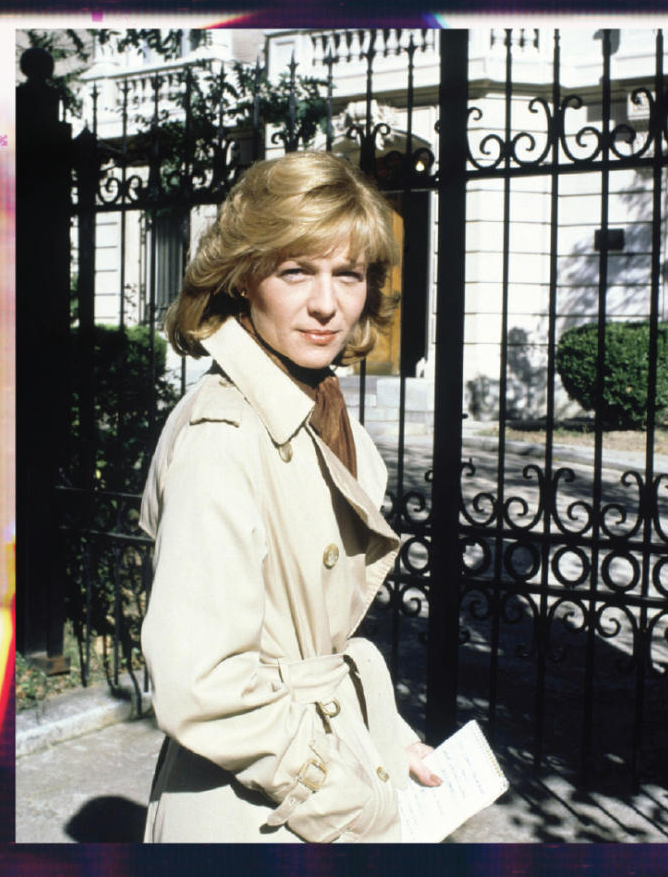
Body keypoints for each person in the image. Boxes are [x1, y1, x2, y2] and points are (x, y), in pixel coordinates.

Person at [138, 151, 441, 843]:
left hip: (313, 772)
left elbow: (317, 659)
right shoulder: (226, 435)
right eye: (295, 270)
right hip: (259, 809)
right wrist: (341, 795)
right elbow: (203, 684)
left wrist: (386, 744)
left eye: (348, 274)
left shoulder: (324, 410)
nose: (327, 303)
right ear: (243, 278)